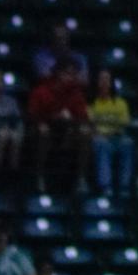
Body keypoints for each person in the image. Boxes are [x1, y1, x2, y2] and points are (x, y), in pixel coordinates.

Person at [27, 55, 92, 194]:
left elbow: (83, 116)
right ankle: (39, 176)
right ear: (58, 72)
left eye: (74, 74)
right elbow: (33, 114)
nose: (72, 77)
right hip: (45, 131)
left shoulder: (76, 93)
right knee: (42, 132)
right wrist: (50, 119)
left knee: (85, 133)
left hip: (68, 132)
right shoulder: (41, 91)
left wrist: (73, 121)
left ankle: (81, 178)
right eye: (68, 73)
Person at [87, 69, 134, 196]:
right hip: (99, 139)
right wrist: (104, 130)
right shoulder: (91, 103)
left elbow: (124, 122)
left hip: (117, 137)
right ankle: (106, 188)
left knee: (128, 143)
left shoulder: (120, 103)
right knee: (101, 144)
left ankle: (124, 188)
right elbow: (91, 124)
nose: (104, 82)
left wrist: (106, 128)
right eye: (101, 79)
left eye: (107, 79)